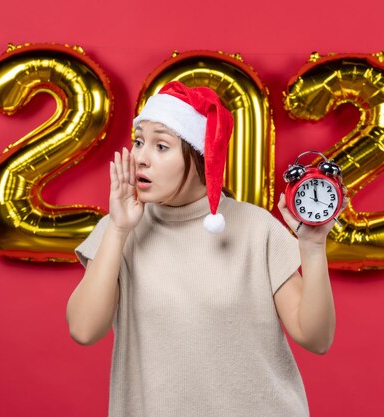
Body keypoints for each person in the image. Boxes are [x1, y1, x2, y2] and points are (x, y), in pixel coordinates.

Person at [66, 81, 344, 417]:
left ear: (201, 156)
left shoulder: (256, 228)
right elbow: (83, 329)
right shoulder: (119, 230)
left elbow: (317, 339)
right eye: (139, 142)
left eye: (161, 146)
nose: (140, 157)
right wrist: (119, 229)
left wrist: (312, 248)